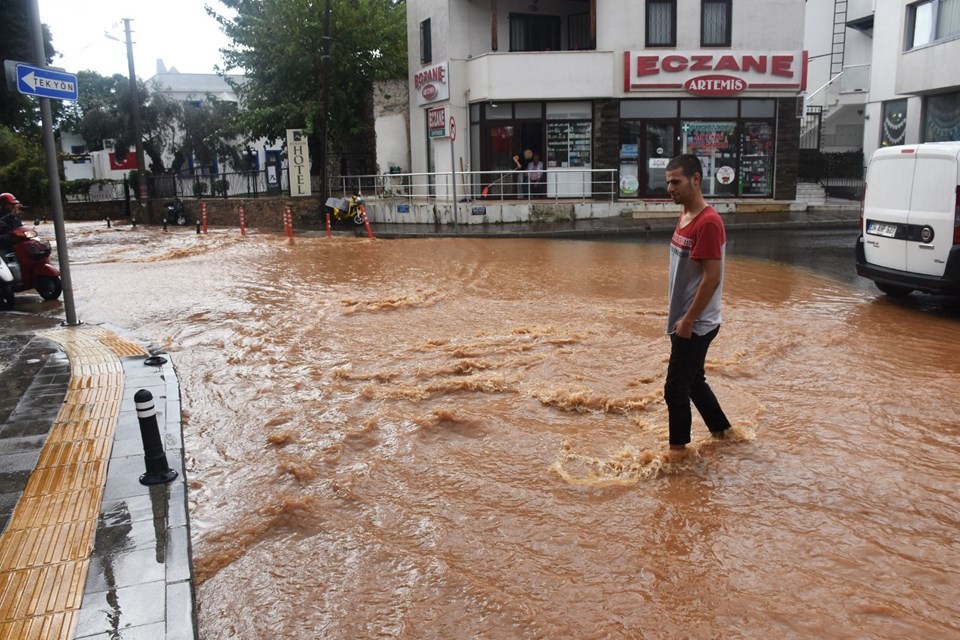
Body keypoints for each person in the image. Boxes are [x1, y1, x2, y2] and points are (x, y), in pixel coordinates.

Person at [663, 154, 731, 451]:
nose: (670, 188)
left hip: (696, 323)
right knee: (693, 382)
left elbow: (712, 278)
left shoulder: (708, 223)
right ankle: (724, 433)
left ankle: (679, 456)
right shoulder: (685, 216)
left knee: (674, 390)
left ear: (695, 180)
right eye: (668, 182)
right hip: (685, 319)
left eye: (676, 181)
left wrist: (688, 320)